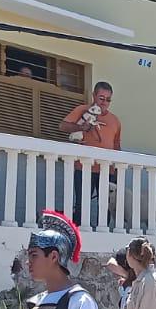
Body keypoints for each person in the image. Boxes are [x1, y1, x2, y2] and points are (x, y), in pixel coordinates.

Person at [60, 81, 122, 224]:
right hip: (84, 167)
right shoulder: (83, 110)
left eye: (108, 99)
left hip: (107, 170)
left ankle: (104, 233)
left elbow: (117, 145)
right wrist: (81, 127)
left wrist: (117, 170)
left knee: (107, 205)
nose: (104, 102)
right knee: (82, 203)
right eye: (101, 98)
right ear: (94, 96)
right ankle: (79, 235)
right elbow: (63, 126)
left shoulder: (115, 120)